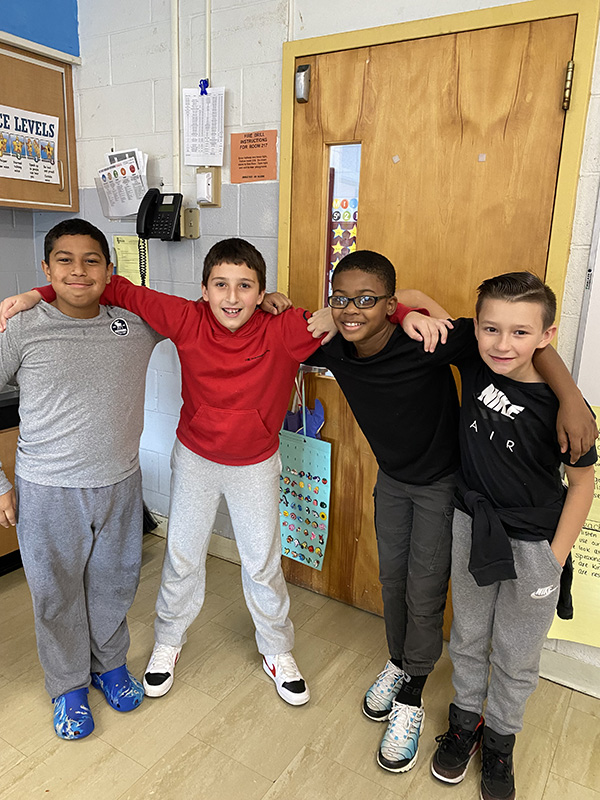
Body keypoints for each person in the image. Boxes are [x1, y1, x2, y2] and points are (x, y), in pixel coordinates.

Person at [1, 239, 432, 708]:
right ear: (203, 290)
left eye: (245, 286)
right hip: (196, 458)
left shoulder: (288, 327)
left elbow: (364, 311)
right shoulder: (185, 318)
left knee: (262, 562)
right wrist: (36, 295)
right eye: (221, 285)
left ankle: (276, 649)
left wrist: (406, 311)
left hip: (256, 464)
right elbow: (111, 286)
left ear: (262, 291)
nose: (232, 297)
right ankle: (169, 640)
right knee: (182, 557)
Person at [302, 251, 596, 775]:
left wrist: (572, 395)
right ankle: (405, 668)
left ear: (386, 305)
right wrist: (308, 308)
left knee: (430, 590)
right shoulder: (337, 345)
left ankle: (418, 694)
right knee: (397, 581)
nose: (352, 310)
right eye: (342, 300)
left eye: (367, 301)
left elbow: (511, 337)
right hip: (400, 484)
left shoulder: (441, 344)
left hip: (451, 492)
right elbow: (281, 324)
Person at [429, 272, 595, 800]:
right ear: (475, 328)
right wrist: (412, 313)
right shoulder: (476, 361)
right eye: (491, 329)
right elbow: (409, 300)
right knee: (469, 635)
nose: (504, 344)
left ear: (546, 337)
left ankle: (500, 740)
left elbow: (583, 483)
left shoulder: (564, 408)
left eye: (521, 333)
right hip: (472, 526)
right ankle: (465, 725)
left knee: (518, 650)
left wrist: (555, 557)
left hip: (535, 546)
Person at [0, 218, 163, 739]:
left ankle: (109, 664)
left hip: (120, 483)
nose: (78, 270)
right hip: (48, 490)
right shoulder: (21, 327)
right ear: (45, 268)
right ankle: (68, 685)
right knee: (56, 592)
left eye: (91, 260)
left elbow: (213, 315)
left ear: (109, 270)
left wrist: (267, 297)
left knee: (115, 583)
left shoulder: (134, 323)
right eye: (64, 261)